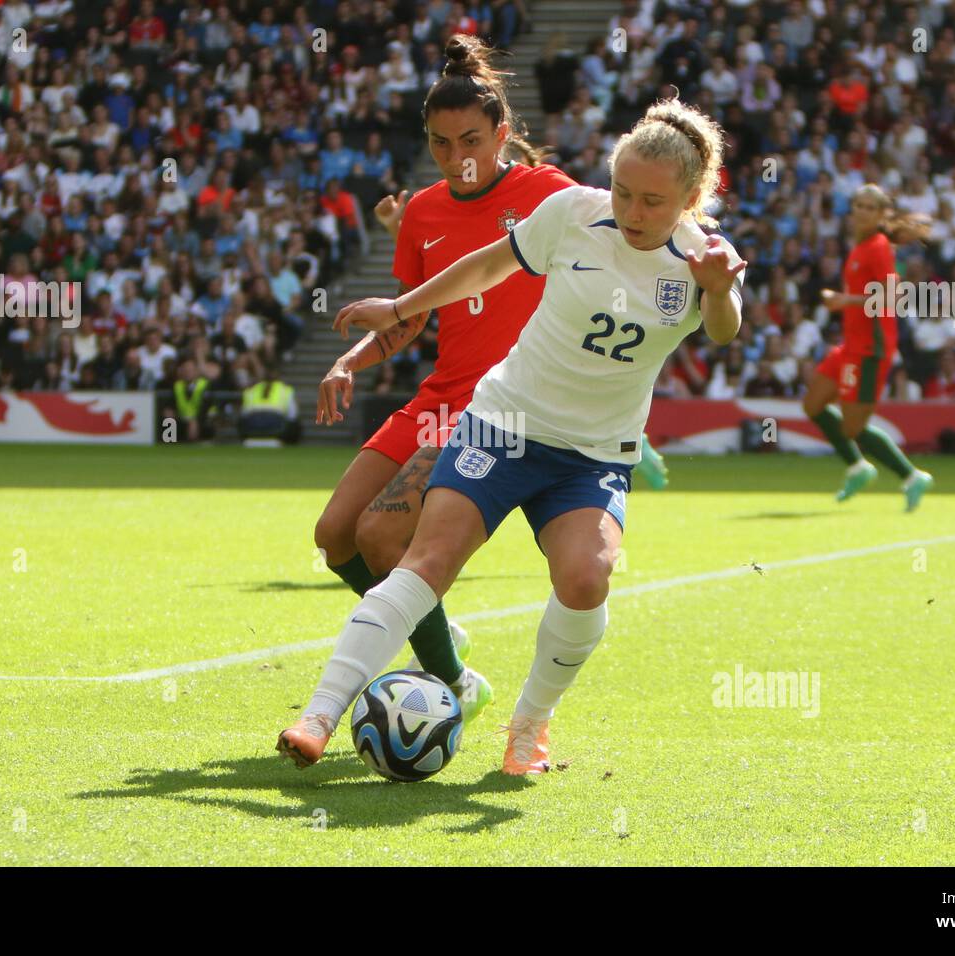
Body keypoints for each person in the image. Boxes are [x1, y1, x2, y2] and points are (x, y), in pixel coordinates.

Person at [279, 97, 745, 775]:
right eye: (622, 190)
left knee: (587, 579)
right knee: (424, 561)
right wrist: (402, 306)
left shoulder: (709, 259)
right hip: (502, 422)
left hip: (590, 455)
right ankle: (319, 715)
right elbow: (488, 265)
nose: (632, 211)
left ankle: (530, 723)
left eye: (652, 200)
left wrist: (718, 293)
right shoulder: (574, 212)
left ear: (692, 196)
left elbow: (725, 330)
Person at [309, 34, 575, 725]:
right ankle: (438, 638)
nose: (459, 158)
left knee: (380, 536)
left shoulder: (548, 194)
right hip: (438, 396)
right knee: (335, 533)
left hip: (502, 404)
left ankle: (450, 676)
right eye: (441, 143)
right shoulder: (423, 212)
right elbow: (409, 319)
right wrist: (350, 359)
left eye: (472, 140)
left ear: (504, 135)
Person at [801, 184, 935, 511]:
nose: (860, 211)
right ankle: (858, 467)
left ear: (879, 215)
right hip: (851, 345)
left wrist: (845, 300)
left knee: (853, 427)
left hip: (870, 349)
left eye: (868, 207)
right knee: (814, 403)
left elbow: (893, 296)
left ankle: (911, 475)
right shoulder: (861, 246)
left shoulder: (877, 248)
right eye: (857, 205)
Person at [238, 363, 301, 444]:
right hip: (276, 423)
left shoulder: (252, 389)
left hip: (252, 423)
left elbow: (243, 413)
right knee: (295, 424)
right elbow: (293, 415)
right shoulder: (285, 390)